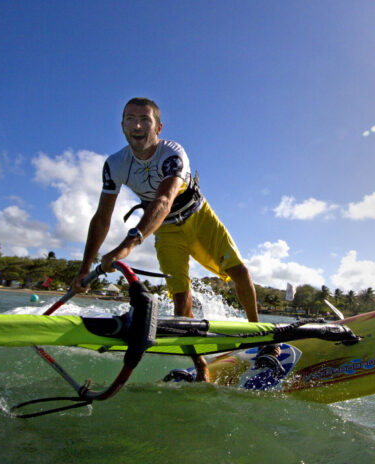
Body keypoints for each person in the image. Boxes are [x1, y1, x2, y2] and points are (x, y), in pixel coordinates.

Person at [72, 97, 259, 382]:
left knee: (241, 273)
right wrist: (85, 267)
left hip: (198, 218)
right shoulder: (115, 164)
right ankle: (201, 370)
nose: (137, 125)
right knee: (181, 303)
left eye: (144, 119)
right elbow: (101, 218)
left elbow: (163, 199)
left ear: (158, 126)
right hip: (167, 232)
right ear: (122, 126)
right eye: (130, 119)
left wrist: (128, 244)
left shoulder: (173, 153)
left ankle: (259, 339)